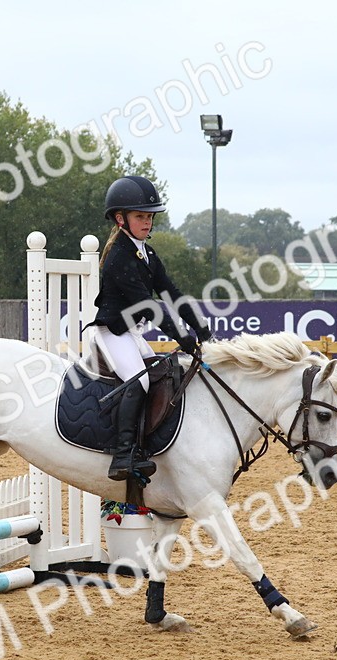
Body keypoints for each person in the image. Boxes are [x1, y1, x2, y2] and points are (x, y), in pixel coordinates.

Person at [90, 175, 211, 482]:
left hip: (132, 334)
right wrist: (182, 337)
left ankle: (144, 445)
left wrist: (200, 326)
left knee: (160, 377)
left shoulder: (147, 254)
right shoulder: (119, 256)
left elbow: (171, 293)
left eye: (149, 217)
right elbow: (148, 306)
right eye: (140, 217)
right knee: (139, 382)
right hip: (113, 332)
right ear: (121, 219)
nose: (147, 222)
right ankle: (122, 455)